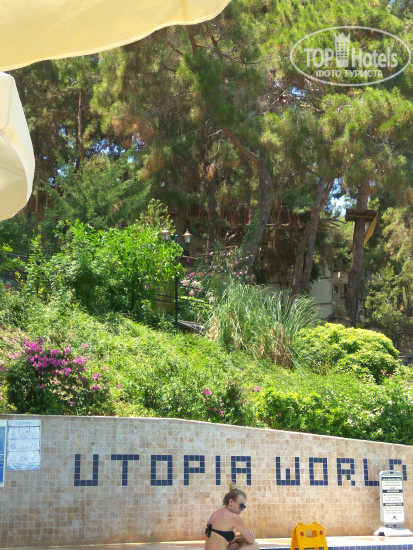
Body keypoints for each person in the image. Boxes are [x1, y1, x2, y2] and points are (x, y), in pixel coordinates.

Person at [205, 483, 259, 550]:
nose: (242, 509)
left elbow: (219, 535)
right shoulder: (234, 517)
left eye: (244, 507)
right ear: (231, 502)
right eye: (241, 505)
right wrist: (251, 534)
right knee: (254, 545)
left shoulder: (215, 513)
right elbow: (251, 540)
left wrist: (236, 539)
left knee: (238, 545)